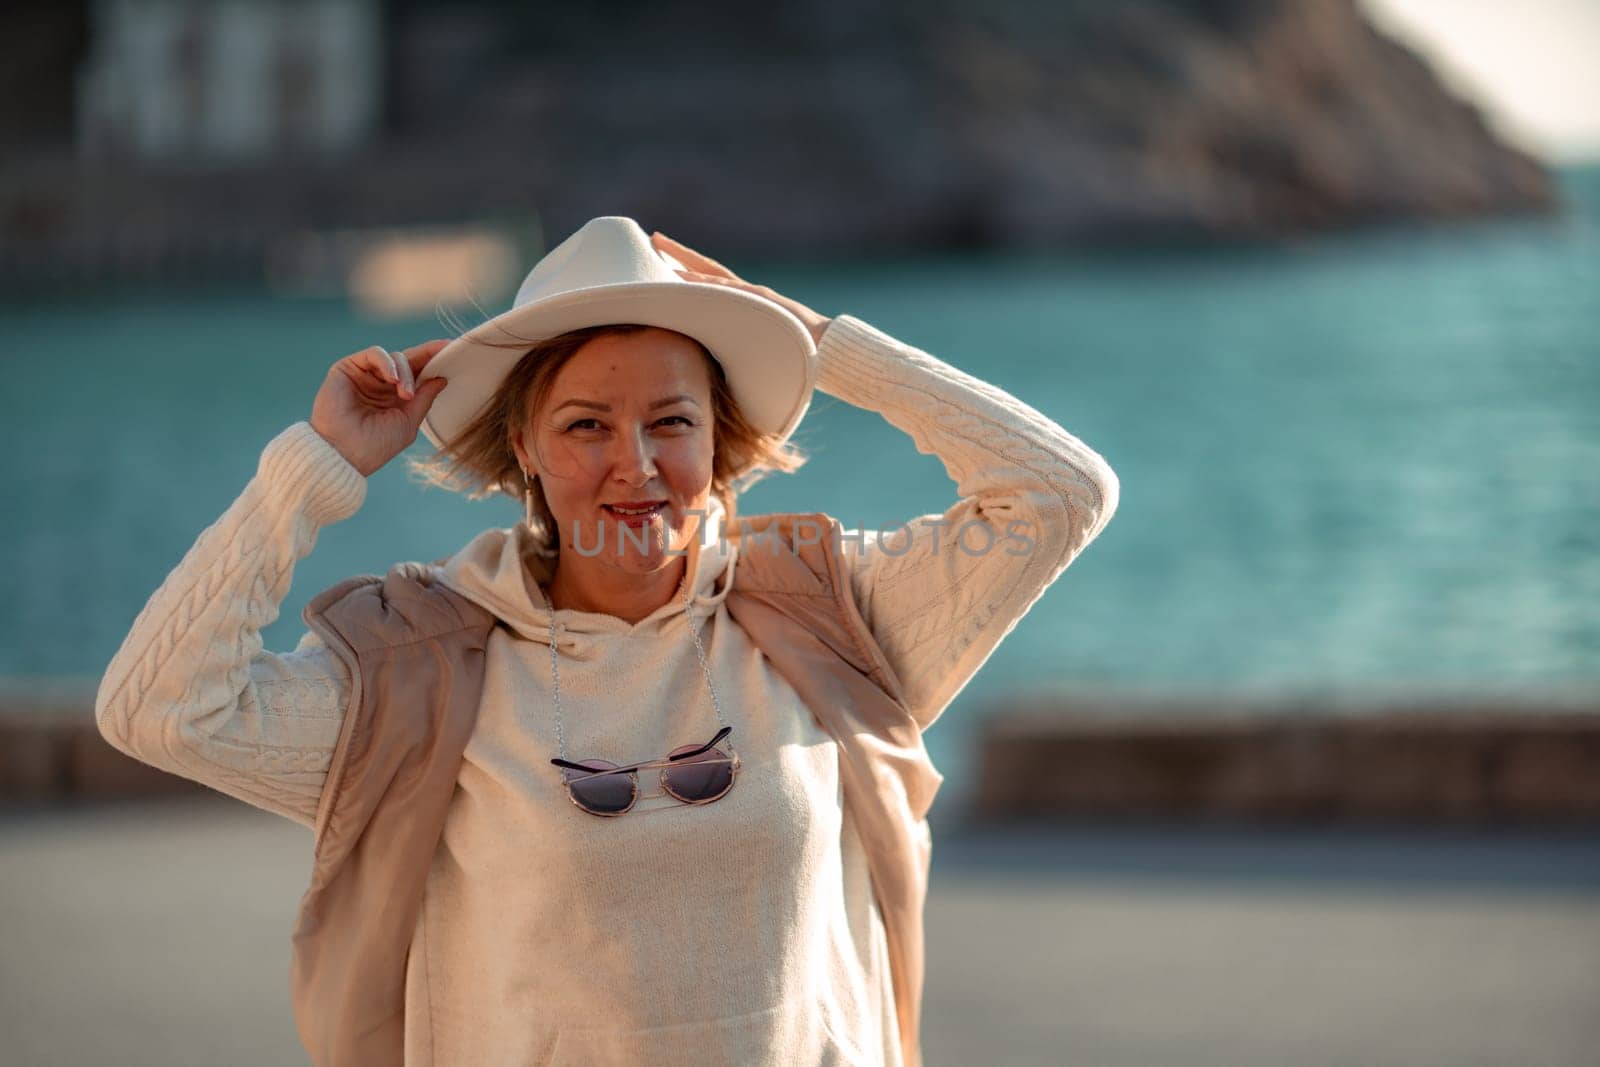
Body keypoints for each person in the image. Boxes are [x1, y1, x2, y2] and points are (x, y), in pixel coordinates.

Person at [95, 216, 1120, 1066]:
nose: (635, 465)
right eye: (586, 425)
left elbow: (1061, 493)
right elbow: (157, 707)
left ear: (719, 441)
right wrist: (315, 469)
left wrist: (817, 341)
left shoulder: (829, 621)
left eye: (671, 421)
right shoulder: (423, 676)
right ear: (527, 454)